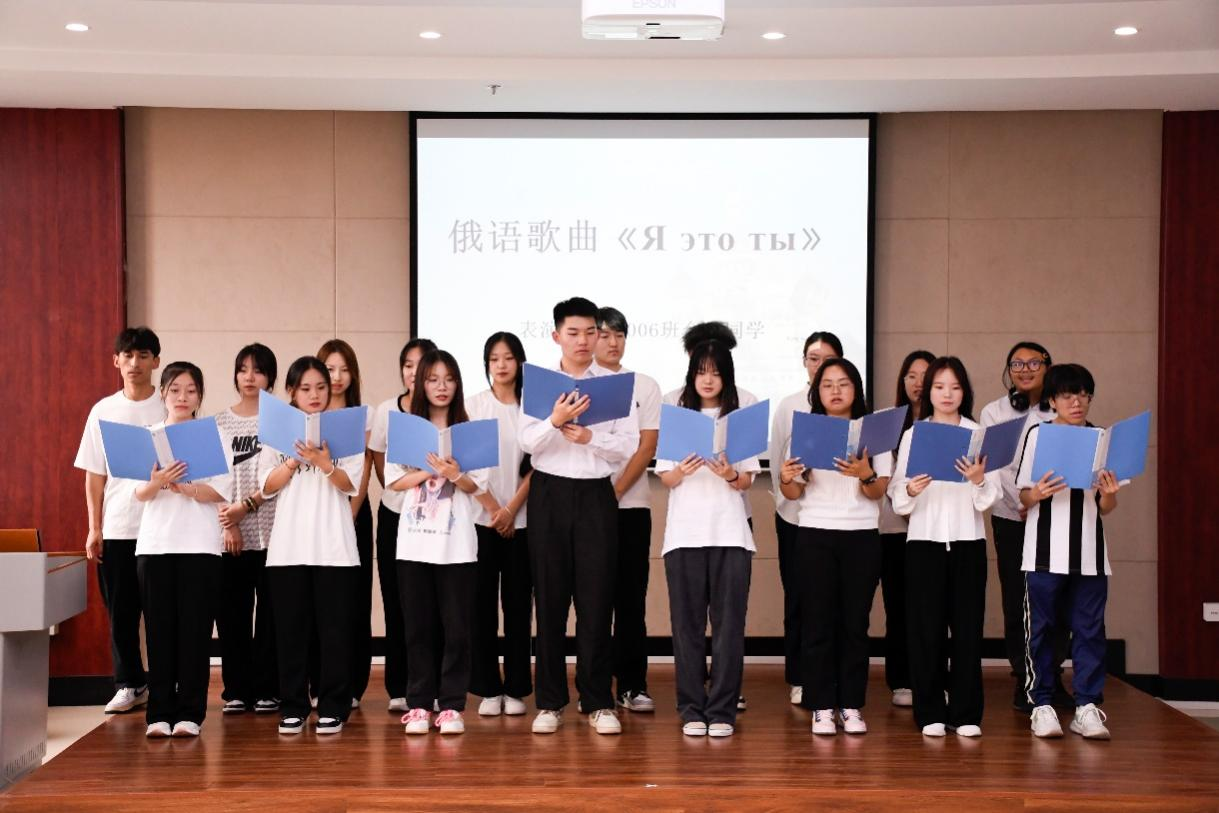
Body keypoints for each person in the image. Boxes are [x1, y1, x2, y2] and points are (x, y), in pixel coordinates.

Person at [519, 297, 639, 735]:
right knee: (550, 601)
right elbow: (526, 442)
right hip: (549, 493)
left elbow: (627, 446)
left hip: (595, 495)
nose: (584, 340)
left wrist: (590, 438)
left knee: (596, 600)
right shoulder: (539, 385)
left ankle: (598, 700)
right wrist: (554, 420)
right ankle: (550, 703)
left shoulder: (613, 385)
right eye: (574, 332)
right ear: (557, 336)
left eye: (592, 332)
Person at [889, 357, 999, 738]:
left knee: (967, 629)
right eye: (939, 387)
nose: (947, 394)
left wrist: (979, 479)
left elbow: (990, 498)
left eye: (954, 387)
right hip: (924, 543)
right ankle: (930, 710)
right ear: (928, 392)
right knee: (926, 631)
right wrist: (910, 488)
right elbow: (897, 495)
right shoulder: (914, 435)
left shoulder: (977, 434)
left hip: (968, 543)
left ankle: (966, 713)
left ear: (964, 391)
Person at [779, 357, 889, 735]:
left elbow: (878, 492)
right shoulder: (805, 432)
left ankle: (852, 705)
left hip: (861, 534)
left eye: (843, 383)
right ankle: (822, 705)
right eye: (827, 384)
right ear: (817, 391)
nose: (836, 391)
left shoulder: (873, 433)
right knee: (817, 622)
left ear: (856, 389)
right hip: (815, 533)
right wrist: (786, 477)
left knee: (855, 624)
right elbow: (792, 492)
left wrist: (865, 473)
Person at [387, 350, 494, 736]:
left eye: (449, 379)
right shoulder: (406, 429)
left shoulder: (471, 429)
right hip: (413, 544)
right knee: (417, 627)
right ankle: (418, 704)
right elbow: (393, 482)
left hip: (457, 545)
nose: (441, 386)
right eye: (433, 379)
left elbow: (479, 485)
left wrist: (455, 473)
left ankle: (450, 706)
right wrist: (426, 471)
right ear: (421, 384)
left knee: (457, 629)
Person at [1017, 363, 1122, 740]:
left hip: (1090, 552)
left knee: (1090, 630)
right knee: (1042, 630)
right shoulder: (1038, 435)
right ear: (1052, 399)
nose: (1076, 402)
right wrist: (1037, 493)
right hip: (1044, 552)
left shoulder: (1101, 438)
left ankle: (1087, 706)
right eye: (1067, 395)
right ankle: (1041, 705)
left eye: (1083, 395)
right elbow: (1023, 496)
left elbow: (1106, 507)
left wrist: (1109, 494)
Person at [657, 340, 756, 738]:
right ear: (691, 375)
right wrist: (682, 469)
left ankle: (723, 711)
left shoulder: (740, 416)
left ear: (726, 376)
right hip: (684, 534)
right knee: (687, 627)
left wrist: (729, 474)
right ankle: (692, 709)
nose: (708, 380)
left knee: (729, 628)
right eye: (701, 372)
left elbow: (747, 479)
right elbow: (666, 477)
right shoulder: (677, 415)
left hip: (731, 532)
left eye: (715, 372)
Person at [260, 356, 362, 735]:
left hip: (334, 545)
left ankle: (333, 706)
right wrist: (291, 463)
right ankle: (293, 707)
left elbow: (351, 485)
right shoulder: (276, 431)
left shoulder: (345, 428)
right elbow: (266, 487)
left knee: (335, 633)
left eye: (321, 387)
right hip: (288, 546)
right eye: (305, 388)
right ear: (291, 391)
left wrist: (324, 462)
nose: (315, 394)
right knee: (291, 632)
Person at [133, 362, 230, 738]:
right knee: (159, 633)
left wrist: (185, 488)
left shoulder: (214, 435)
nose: (182, 397)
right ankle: (159, 712)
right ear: (163, 393)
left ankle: (190, 713)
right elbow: (139, 493)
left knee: (194, 633)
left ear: (200, 396)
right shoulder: (148, 437)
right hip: (155, 546)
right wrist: (158, 480)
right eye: (175, 390)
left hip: (199, 546)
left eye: (191, 391)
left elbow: (220, 490)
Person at [74, 326, 165, 714]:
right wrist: (94, 527)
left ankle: (166, 684)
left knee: (161, 614)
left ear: (156, 362)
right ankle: (131, 683)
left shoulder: (169, 406)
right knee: (121, 614)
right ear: (116, 361)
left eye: (143, 355)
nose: (134, 363)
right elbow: (94, 475)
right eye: (127, 355)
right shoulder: (103, 411)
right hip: (119, 527)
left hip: (163, 529)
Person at [978, 341, 1065, 712]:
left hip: (1054, 517)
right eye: (1017, 363)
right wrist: (1022, 502)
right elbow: (993, 467)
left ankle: (1052, 677)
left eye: (1033, 363)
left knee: (1055, 599)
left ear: (1047, 367)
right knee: (1017, 600)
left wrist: (1039, 503)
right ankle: (1024, 678)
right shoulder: (994, 412)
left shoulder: (1059, 409)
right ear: (1008, 370)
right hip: (1010, 517)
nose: (1025, 369)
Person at [768, 331, 843, 706]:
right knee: (798, 598)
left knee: (834, 601)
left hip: (836, 519)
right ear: (804, 362)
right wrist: (787, 496)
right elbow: (775, 458)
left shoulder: (849, 405)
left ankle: (832, 674)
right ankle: (798, 676)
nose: (820, 366)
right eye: (814, 358)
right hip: (795, 517)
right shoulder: (789, 405)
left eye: (828, 359)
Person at [595, 306, 662, 713]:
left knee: (631, 599)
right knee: (594, 600)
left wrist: (616, 491)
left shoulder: (645, 385)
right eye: (604, 334)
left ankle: (633, 685)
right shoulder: (580, 383)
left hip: (631, 505)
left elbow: (647, 446)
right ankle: (596, 688)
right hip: (587, 507)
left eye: (619, 335)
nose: (613, 342)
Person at [467, 332, 534, 717]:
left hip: (523, 522)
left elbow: (538, 464)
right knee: (481, 607)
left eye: (508, 357)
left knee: (518, 607)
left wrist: (511, 509)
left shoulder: (532, 409)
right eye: (494, 358)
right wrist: (495, 509)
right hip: (481, 520)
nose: (502, 365)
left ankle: (517, 688)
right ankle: (488, 688)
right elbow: (467, 465)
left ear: (520, 362)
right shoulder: (475, 406)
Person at [368, 337, 437, 712]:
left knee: (431, 604)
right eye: (408, 365)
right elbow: (379, 458)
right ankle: (399, 686)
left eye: (421, 365)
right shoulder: (386, 410)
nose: (414, 372)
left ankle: (433, 686)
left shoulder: (442, 408)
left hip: (435, 520)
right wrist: (400, 489)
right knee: (397, 602)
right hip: (396, 514)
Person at [214, 343, 281, 715]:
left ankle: (269, 688)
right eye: (243, 369)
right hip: (232, 535)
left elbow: (283, 478)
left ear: (270, 376)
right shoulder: (219, 422)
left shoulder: (281, 421)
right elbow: (214, 480)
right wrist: (229, 523)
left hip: (274, 533)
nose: (249, 377)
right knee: (233, 615)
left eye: (258, 370)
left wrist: (248, 507)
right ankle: (236, 689)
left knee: (271, 616)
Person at [317, 339, 374, 708]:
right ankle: (319, 681)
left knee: (353, 601)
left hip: (352, 514)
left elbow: (363, 472)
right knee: (318, 602)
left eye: (344, 369)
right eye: (330, 369)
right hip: (315, 517)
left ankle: (351, 684)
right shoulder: (308, 416)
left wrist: (349, 515)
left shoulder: (363, 416)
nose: (337, 377)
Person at [878, 349, 934, 708]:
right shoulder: (889, 421)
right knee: (898, 606)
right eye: (911, 376)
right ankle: (900, 678)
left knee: (930, 607)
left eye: (926, 377)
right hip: (895, 529)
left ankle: (930, 676)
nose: (918, 383)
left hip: (932, 528)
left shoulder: (947, 424)